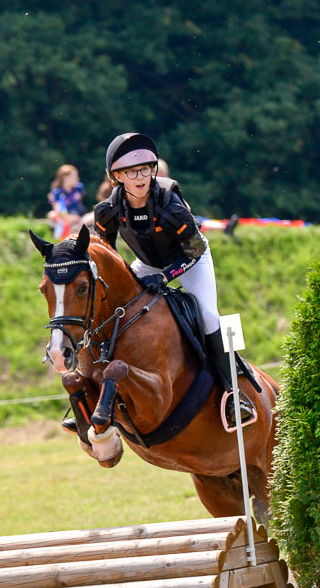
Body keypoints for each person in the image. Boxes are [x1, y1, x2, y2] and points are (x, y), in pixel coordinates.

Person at [93, 132, 257, 430]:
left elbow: (194, 248)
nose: (141, 176)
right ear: (117, 176)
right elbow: (107, 253)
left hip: (191, 260)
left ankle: (235, 393)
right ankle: (95, 387)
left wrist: (166, 276)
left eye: (145, 169)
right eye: (132, 171)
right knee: (113, 308)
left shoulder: (170, 203)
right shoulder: (108, 210)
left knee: (208, 315)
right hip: (148, 264)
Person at [47, 164, 86, 239]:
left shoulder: (79, 188)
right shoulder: (57, 193)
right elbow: (57, 210)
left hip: (79, 215)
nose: (77, 178)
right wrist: (69, 217)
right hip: (65, 216)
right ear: (66, 177)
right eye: (74, 176)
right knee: (51, 214)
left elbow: (80, 204)